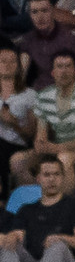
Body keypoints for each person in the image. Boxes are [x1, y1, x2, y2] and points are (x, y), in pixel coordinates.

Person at [11, 51, 75, 194]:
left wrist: (59, 147)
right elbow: (41, 133)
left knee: (64, 158)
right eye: (59, 66)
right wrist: (41, 144)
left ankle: (67, 207)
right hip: (55, 148)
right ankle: (39, 203)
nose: (63, 70)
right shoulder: (44, 96)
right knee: (17, 161)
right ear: (53, 72)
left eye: (68, 66)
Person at [16, 0, 75, 91]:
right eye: (35, 12)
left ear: (53, 11)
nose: (40, 17)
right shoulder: (29, 39)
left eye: (44, 11)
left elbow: (73, 80)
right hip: (37, 91)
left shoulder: (67, 38)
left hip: (62, 93)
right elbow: (20, 76)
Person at [0, 46, 36, 190]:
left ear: (19, 66)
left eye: (12, 62)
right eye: (3, 61)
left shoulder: (29, 95)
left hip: (17, 146)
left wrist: (13, 123)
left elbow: (31, 135)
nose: (8, 65)